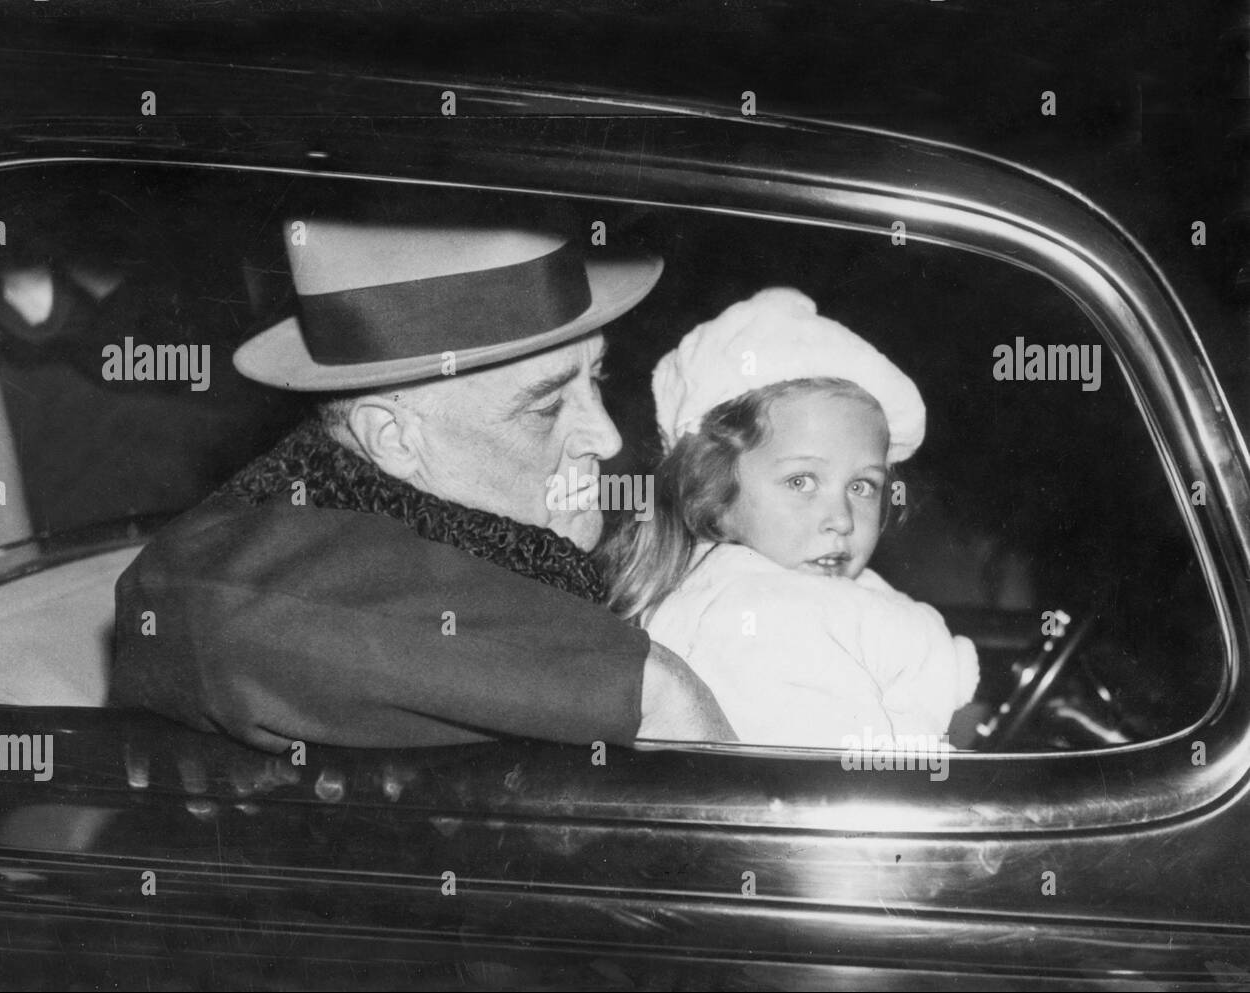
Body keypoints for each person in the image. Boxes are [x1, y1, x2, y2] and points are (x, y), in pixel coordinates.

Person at [110, 217, 734, 750]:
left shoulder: (509, 529)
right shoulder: (245, 570)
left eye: (594, 377)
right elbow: (211, 604)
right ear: (394, 438)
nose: (605, 437)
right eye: (545, 408)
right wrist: (647, 685)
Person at [603, 287, 978, 747]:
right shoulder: (756, 616)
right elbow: (837, 780)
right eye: (801, 481)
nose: (840, 518)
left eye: (862, 486)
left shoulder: (806, 592)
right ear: (713, 495)